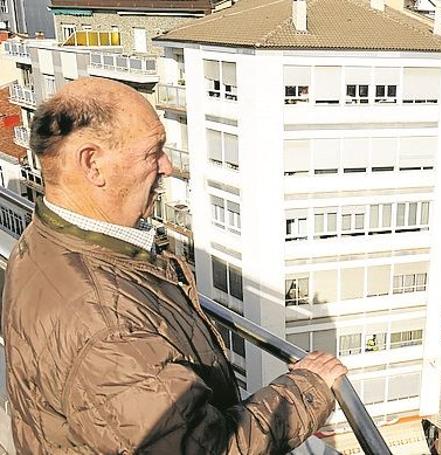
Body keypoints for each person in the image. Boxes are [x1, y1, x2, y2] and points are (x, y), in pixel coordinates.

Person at [1, 78, 348, 453]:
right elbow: (203, 448)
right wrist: (307, 390)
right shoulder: (104, 323)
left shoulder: (42, 243)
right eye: (154, 152)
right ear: (93, 163)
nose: (167, 166)